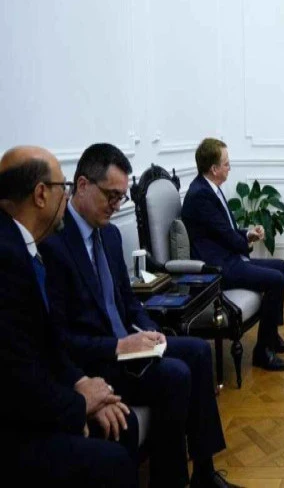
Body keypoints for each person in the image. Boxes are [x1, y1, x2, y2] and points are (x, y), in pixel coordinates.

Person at [40, 143, 239, 488]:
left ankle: (205, 473)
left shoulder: (110, 234)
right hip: (99, 360)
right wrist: (120, 346)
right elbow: (59, 338)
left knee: (197, 351)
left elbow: (128, 302)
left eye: (121, 198)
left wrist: (150, 330)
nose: (117, 206)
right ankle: (170, 481)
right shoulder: (54, 245)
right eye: (111, 196)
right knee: (176, 375)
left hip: (129, 347)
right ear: (82, 185)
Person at [0, 146, 137, 487]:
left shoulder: (20, 244)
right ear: (41, 194)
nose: (68, 195)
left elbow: (47, 344)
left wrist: (79, 383)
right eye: (63, 187)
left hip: (49, 388)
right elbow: (17, 374)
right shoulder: (8, 258)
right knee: (116, 458)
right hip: (16, 426)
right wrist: (79, 405)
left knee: (124, 423)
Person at [181, 137, 284, 371]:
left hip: (228, 256)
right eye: (226, 164)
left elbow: (224, 230)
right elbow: (225, 235)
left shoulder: (210, 188)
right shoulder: (200, 195)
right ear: (214, 169)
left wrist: (247, 233)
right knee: (275, 279)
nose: (229, 167)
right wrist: (246, 241)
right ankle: (262, 352)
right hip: (219, 267)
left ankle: (271, 337)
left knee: (282, 266)